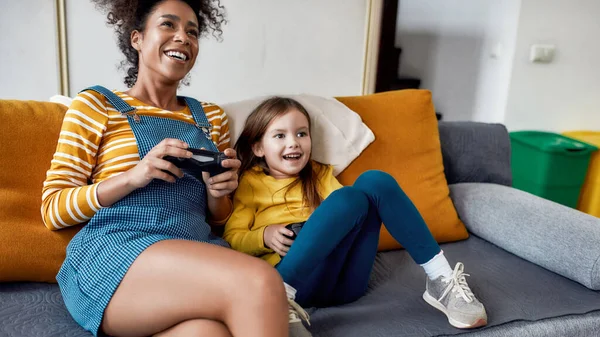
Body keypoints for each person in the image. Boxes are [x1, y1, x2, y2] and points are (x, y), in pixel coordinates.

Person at [41, 1, 291, 336]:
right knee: (261, 281)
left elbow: (219, 220)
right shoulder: (95, 106)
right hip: (119, 252)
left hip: (196, 247)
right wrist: (133, 176)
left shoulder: (211, 119)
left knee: (208, 333)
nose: (183, 38)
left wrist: (219, 193)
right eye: (168, 25)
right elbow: (53, 209)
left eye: (192, 32)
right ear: (137, 39)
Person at [223, 97, 489, 334]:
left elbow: (350, 211)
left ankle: (441, 279)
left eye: (301, 133)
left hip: (347, 282)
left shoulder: (321, 175)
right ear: (258, 148)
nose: (293, 142)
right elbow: (232, 238)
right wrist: (264, 236)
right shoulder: (250, 183)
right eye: (279, 136)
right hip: (295, 282)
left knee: (372, 182)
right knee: (347, 198)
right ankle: (282, 296)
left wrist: (326, 223)